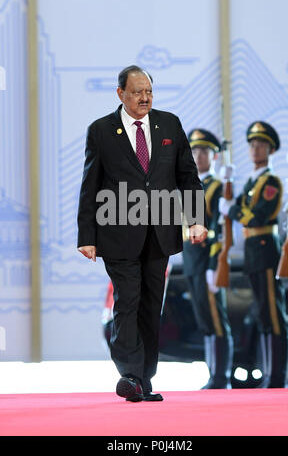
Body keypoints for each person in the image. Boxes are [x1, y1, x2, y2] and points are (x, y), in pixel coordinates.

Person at [77, 65, 208, 402]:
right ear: (120, 94)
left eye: (149, 91)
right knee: (128, 301)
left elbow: (187, 176)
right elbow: (90, 186)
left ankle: (143, 379)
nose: (145, 97)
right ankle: (130, 373)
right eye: (137, 92)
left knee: (152, 306)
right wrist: (86, 235)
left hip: (161, 232)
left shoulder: (170, 124)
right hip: (118, 232)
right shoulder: (102, 131)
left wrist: (195, 219)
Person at [219, 121, 288, 388]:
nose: (255, 149)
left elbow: (255, 215)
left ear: (270, 149)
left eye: (260, 144)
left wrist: (233, 210)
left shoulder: (270, 181)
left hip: (265, 247)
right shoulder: (252, 181)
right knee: (263, 313)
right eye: (252, 144)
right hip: (252, 250)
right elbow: (236, 208)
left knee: (273, 314)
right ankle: (270, 374)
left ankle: (277, 377)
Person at [182, 129, 233, 389]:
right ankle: (213, 373)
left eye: (204, 151)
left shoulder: (216, 187)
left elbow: (221, 231)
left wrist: (215, 265)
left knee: (216, 319)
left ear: (214, 156)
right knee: (205, 320)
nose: (198, 155)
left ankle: (221, 377)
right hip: (191, 261)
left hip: (207, 262)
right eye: (194, 150)